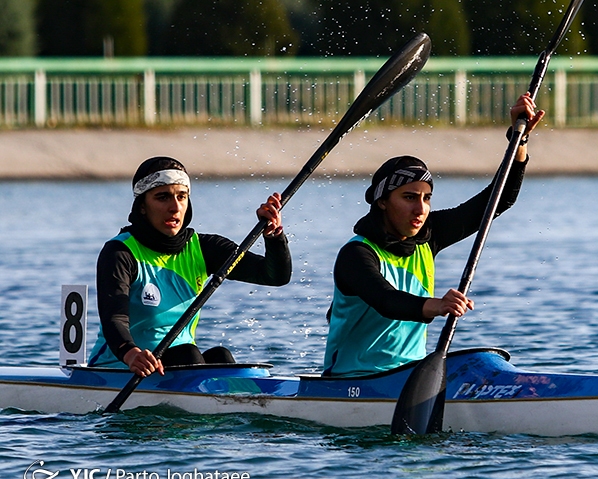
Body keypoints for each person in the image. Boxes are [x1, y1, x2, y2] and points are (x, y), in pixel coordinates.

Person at [323, 93, 544, 378]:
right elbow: (386, 301)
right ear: (382, 201)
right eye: (409, 197)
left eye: (427, 198)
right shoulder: (356, 254)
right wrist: (438, 306)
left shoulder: (429, 236)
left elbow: (497, 201)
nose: (421, 209)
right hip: (353, 380)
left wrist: (519, 139)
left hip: (411, 376)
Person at [89, 156, 292, 376]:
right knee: (189, 355)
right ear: (143, 206)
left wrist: (273, 237)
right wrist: (131, 354)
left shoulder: (205, 248)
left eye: (181, 196)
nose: (175, 207)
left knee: (221, 357)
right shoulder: (120, 252)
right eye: (162, 197)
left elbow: (274, 276)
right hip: (122, 368)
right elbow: (114, 319)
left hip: (179, 364)